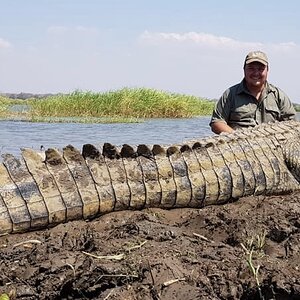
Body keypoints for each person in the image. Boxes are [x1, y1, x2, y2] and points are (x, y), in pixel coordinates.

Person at [210, 50, 296, 134]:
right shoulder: (230, 94)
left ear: (267, 70)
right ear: (244, 70)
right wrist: (237, 137)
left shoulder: (278, 95)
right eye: (251, 68)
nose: (256, 73)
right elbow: (216, 122)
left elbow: (293, 125)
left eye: (260, 69)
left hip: (272, 144)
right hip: (237, 143)